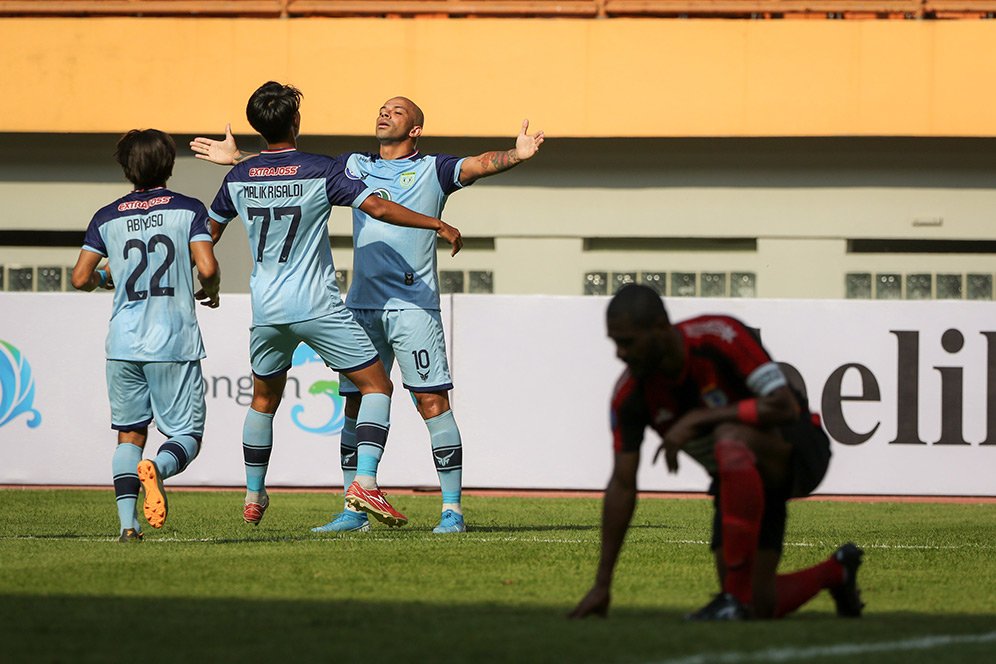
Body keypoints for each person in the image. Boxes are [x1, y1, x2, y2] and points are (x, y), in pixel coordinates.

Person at [191, 96, 544, 534]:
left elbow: (478, 164)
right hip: (361, 305)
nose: (385, 114)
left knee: (432, 402)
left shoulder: (433, 168)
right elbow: (293, 169)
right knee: (355, 404)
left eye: (397, 111)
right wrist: (240, 158)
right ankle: (354, 508)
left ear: (415, 128)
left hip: (413, 306)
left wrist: (516, 155)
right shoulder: (354, 165)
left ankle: (451, 510)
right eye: (382, 109)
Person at [569, 284, 864, 620]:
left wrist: (700, 418)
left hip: (795, 448)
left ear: (661, 329)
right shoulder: (631, 396)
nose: (619, 354)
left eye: (627, 342)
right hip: (740, 478)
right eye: (614, 342)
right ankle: (836, 572)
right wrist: (602, 584)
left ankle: (732, 599)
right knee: (760, 605)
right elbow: (622, 484)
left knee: (728, 437)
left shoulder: (718, 337)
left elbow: (784, 406)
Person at [72, 128, 221, 542]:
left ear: (126, 168)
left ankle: (127, 526)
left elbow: (80, 277)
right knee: (186, 436)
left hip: (123, 342)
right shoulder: (189, 209)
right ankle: (158, 468)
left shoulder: (107, 215)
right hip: (171, 340)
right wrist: (212, 292)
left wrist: (108, 277)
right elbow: (206, 269)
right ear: (169, 165)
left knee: (130, 432)